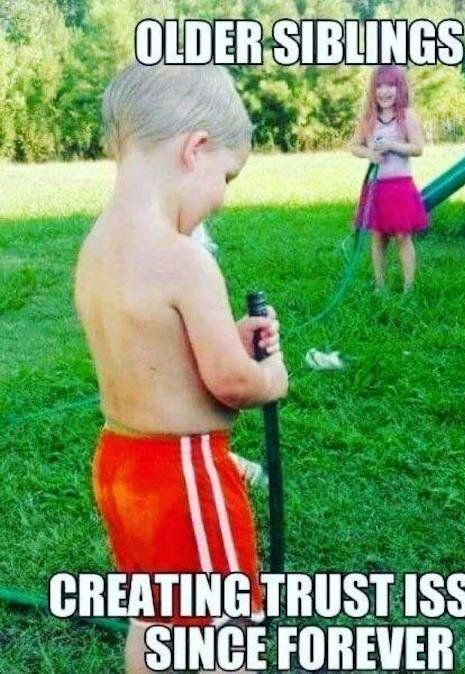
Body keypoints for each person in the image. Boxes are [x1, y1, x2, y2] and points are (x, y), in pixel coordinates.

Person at [75, 62, 288, 674]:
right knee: (227, 625)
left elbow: (156, 354)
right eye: (227, 176)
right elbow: (231, 382)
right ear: (196, 151)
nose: (221, 197)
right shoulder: (184, 259)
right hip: (183, 475)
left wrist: (224, 333)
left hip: (120, 466)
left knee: (158, 612)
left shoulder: (98, 246)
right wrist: (271, 376)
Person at [350, 65, 428, 292]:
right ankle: (380, 284)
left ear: (399, 88)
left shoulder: (407, 116)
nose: (385, 91)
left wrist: (392, 145)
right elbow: (354, 146)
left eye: (390, 86)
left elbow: (418, 148)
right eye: (379, 86)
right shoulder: (369, 118)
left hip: (400, 186)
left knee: (402, 236)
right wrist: (369, 153)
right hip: (377, 187)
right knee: (377, 237)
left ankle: (408, 286)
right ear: (373, 90)